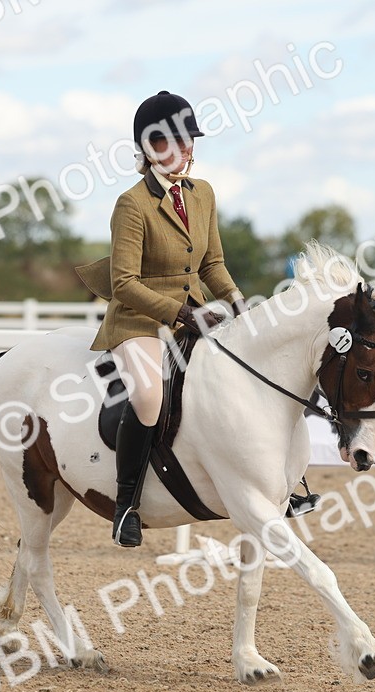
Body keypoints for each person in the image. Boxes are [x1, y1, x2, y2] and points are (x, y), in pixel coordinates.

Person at [81, 90, 246, 547]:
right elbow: (124, 283)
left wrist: (238, 303)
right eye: (175, 141)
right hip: (139, 321)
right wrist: (182, 313)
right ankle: (126, 506)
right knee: (150, 397)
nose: (187, 150)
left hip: (193, 314)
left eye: (189, 141)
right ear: (150, 147)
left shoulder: (203, 193)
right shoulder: (131, 204)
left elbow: (212, 264)